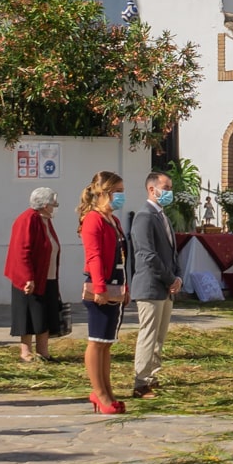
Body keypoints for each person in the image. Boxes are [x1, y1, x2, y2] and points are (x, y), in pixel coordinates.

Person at [128, 170, 182, 399]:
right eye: (166, 188)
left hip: (166, 287)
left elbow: (170, 251)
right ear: (152, 189)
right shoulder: (144, 216)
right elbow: (147, 255)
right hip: (151, 285)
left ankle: (152, 375)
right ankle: (140, 382)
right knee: (148, 334)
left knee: (159, 336)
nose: (169, 192)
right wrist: (170, 278)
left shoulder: (162, 215)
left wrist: (177, 277)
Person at [78, 172, 128, 414]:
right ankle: (98, 393)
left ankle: (107, 390)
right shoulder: (93, 220)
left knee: (107, 343)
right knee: (96, 342)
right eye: (118, 191)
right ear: (105, 192)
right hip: (100, 286)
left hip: (115, 285)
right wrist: (99, 287)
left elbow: (121, 255)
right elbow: (94, 255)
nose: (121, 196)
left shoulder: (113, 220)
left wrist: (125, 286)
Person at [6, 186, 65, 363]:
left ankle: (43, 352)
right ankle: (26, 352)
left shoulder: (44, 219)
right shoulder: (28, 219)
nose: (54, 207)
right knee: (29, 314)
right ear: (45, 204)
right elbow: (22, 250)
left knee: (45, 313)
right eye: (52, 204)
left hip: (47, 276)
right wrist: (27, 277)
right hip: (31, 278)